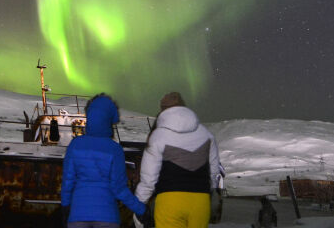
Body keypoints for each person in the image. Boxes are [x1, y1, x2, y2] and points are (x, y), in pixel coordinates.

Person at [61, 93, 152, 228]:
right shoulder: (115, 149)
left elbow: (68, 182)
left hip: (77, 216)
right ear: (108, 121)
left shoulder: (75, 145)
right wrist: (142, 210)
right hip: (108, 217)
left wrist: (65, 208)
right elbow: (120, 189)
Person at [135, 92, 220, 228]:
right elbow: (214, 170)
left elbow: (149, 178)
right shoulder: (206, 134)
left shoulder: (158, 136)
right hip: (200, 201)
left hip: (169, 200)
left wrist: (140, 204)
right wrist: (210, 192)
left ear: (163, 110)